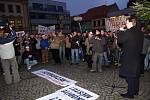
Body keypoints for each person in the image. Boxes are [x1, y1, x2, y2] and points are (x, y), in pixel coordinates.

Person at [117, 17, 144, 98]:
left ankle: (130, 94)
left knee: (130, 77)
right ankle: (135, 91)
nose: (125, 24)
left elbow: (120, 41)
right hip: (137, 56)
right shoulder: (139, 32)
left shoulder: (129, 31)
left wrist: (121, 31)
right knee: (135, 76)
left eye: (126, 22)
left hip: (129, 58)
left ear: (131, 23)